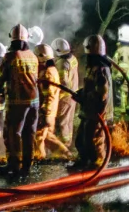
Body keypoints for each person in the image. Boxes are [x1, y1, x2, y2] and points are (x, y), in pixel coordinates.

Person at [0, 24, 39, 179]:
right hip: (34, 101)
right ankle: (27, 165)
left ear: (12, 40)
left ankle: (14, 165)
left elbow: (1, 77)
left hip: (17, 102)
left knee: (13, 133)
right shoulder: (33, 56)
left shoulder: (11, 56)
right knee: (29, 133)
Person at [72, 35, 114, 170]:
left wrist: (84, 97)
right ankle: (83, 160)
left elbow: (101, 94)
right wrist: (81, 92)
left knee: (93, 141)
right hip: (88, 111)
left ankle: (96, 164)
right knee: (80, 140)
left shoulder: (101, 69)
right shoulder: (94, 67)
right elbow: (91, 87)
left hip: (97, 113)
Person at [34, 43, 71, 160]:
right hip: (49, 112)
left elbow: (49, 95)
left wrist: (44, 113)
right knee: (49, 139)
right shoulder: (51, 70)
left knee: (39, 138)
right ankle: (66, 156)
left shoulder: (47, 73)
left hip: (47, 112)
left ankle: (39, 161)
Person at [52, 38, 80, 148]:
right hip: (73, 94)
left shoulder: (62, 63)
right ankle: (67, 143)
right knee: (68, 121)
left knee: (62, 122)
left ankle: (63, 147)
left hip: (64, 97)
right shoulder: (73, 58)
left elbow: (62, 82)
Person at [112, 24, 129, 119]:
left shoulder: (123, 50)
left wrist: (118, 78)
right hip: (126, 81)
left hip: (122, 82)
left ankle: (119, 124)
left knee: (119, 107)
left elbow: (123, 65)